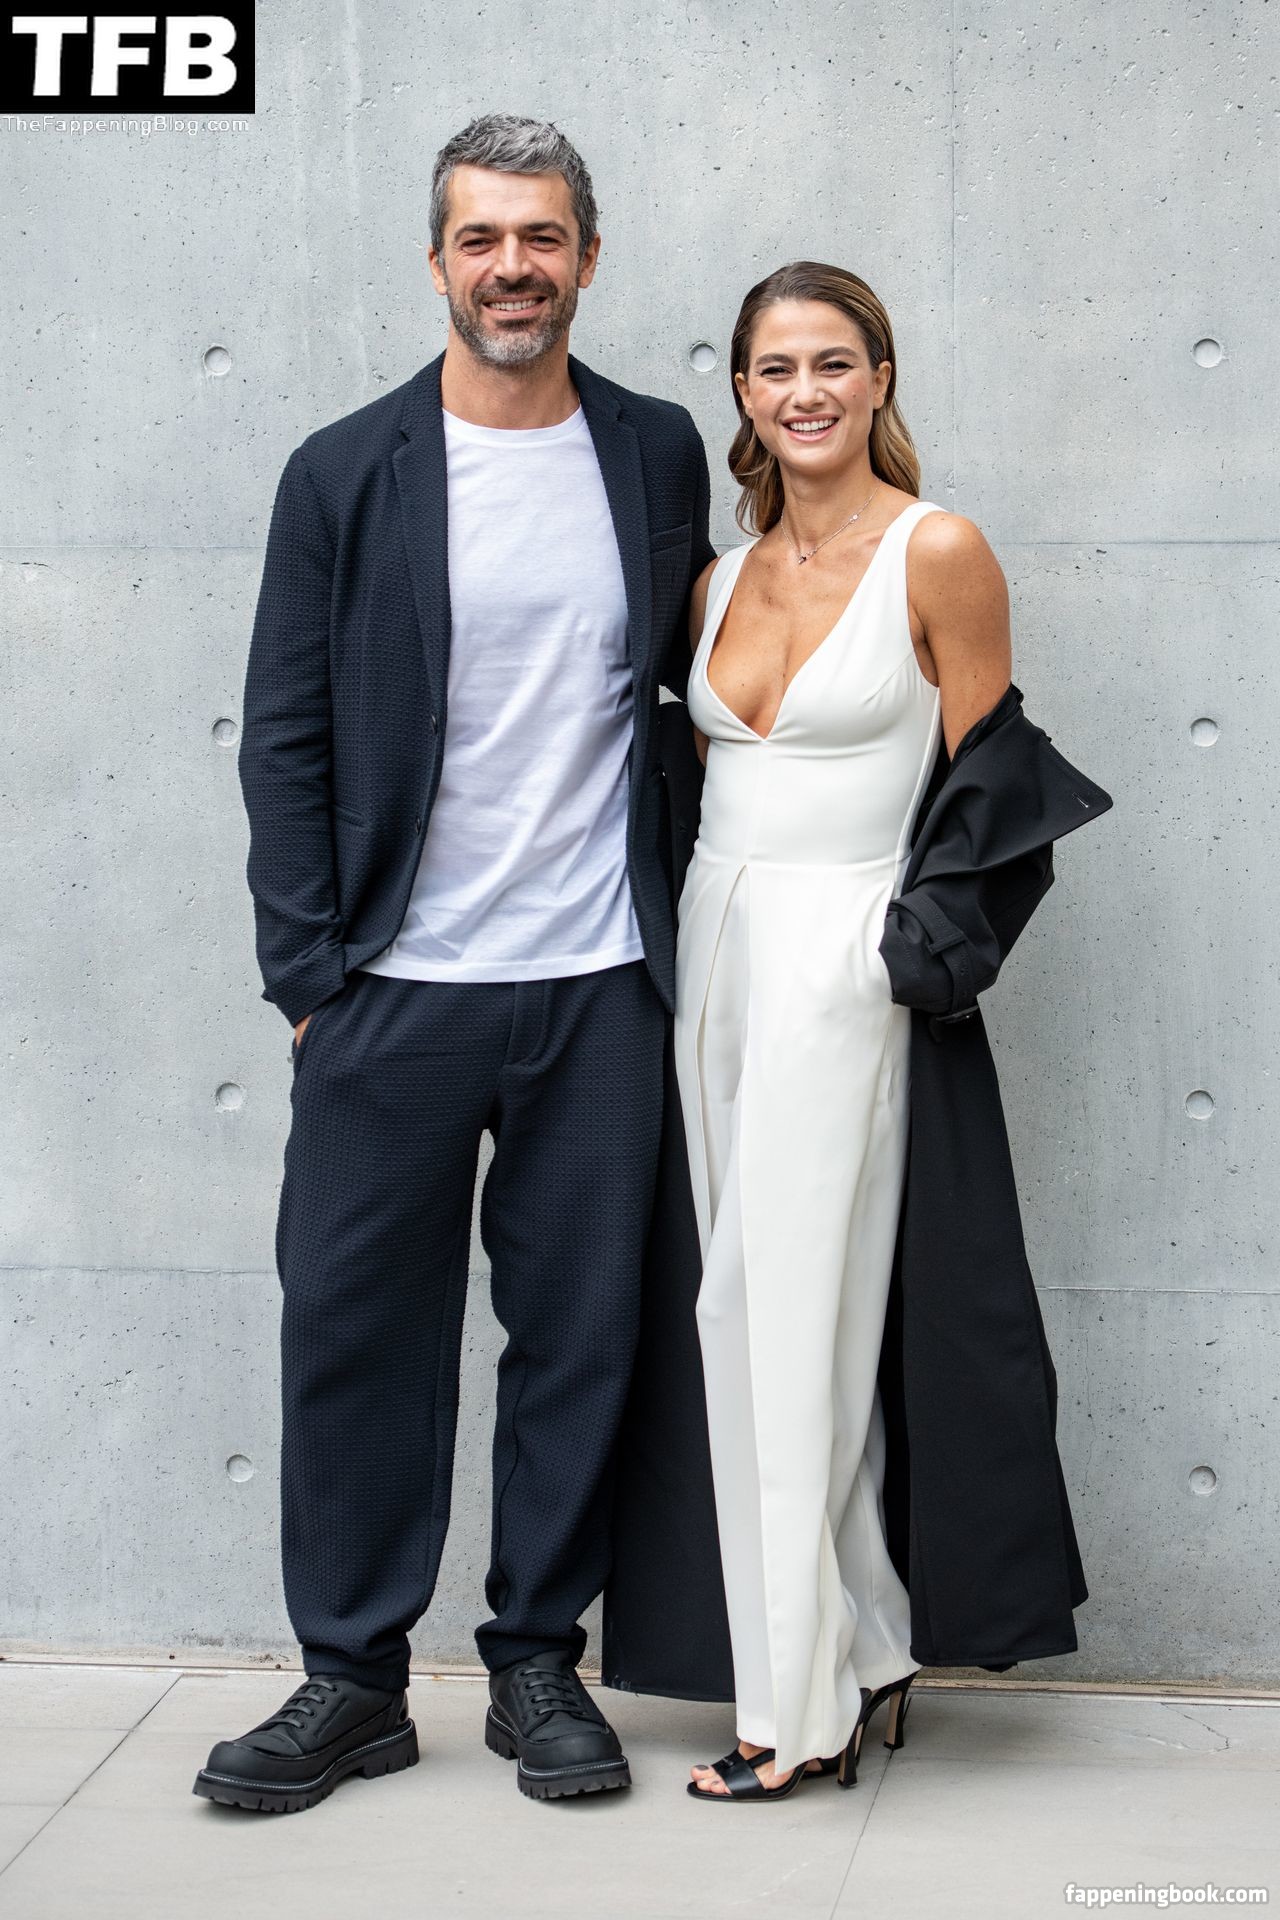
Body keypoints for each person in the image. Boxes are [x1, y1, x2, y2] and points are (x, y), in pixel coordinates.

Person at [193, 112, 714, 1815]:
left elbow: (682, 700)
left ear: (588, 258)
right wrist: (309, 982)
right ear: (437, 260)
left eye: (542, 236)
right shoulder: (345, 471)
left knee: (578, 1336)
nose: (513, 267)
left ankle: (536, 1661)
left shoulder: (651, 453)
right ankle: (351, 1680)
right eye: (482, 237)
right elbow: (284, 732)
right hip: (391, 994)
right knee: (355, 1332)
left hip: (597, 986)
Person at [668, 261, 1105, 1801]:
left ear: (880, 377)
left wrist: (902, 955)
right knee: (742, 1315)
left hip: (842, 965)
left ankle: (796, 1713)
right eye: (776, 368)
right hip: (715, 957)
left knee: (799, 1319)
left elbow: (990, 793)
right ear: (743, 392)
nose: (807, 392)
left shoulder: (940, 550)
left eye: (834, 363)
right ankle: (856, 1646)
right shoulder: (717, 582)